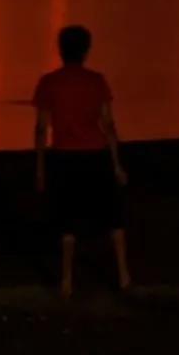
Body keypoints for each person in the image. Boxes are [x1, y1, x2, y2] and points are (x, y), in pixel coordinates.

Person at [32, 24, 131, 298]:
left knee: (66, 221)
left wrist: (40, 168)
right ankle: (123, 275)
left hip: (64, 156)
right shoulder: (96, 81)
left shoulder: (49, 82)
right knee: (113, 217)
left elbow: (41, 128)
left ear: (61, 49)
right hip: (96, 154)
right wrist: (116, 164)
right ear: (86, 50)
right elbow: (108, 124)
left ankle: (66, 280)